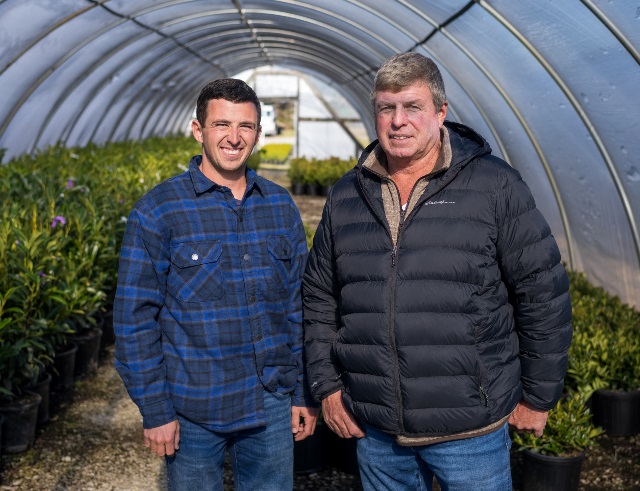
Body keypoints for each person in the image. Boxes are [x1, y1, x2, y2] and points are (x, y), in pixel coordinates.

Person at [302, 52, 572, 490]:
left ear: (441, 112)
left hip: (471, 431)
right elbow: (319, 297)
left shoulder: (493, 185)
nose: (398, 121)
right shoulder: (347, 195)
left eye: (412, 107)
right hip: (378, 429)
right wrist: (327, 386)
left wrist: (539, 397)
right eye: (386, 108)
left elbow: (542, 291)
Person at [114, 78, 318, 490]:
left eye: (245, 126)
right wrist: (155, 410)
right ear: (198, 130)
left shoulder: (279, 206)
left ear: (258, 134)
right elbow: (134, 319)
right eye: (221, 124)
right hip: (193, 405)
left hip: (270, 402)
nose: (234, 137)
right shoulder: (160, 210)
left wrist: (303, 393)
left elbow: (298, 309)